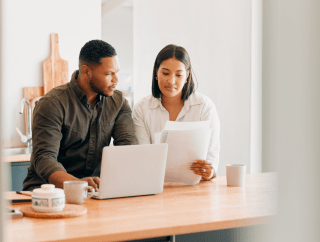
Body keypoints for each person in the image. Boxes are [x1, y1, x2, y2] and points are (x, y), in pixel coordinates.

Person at [23, 40, 138, 191]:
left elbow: (128, 149)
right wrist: (78, 185)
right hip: (49, 193)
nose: (116, 80)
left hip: (93, 192)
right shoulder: (52, 103)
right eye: (109, 74)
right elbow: (45, 159)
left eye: (117, 72)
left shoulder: (118, 102)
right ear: (86, 71)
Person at [133, 44, 220, 180]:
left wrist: (210, 171)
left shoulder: (205, 107)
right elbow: (143, 157)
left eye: (179, 75)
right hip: (154, 186)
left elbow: (212, 158)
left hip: (195, 189)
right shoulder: (142, 109)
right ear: (156, 73)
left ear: (187, 76)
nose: (171, 81)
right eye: (165, 73)